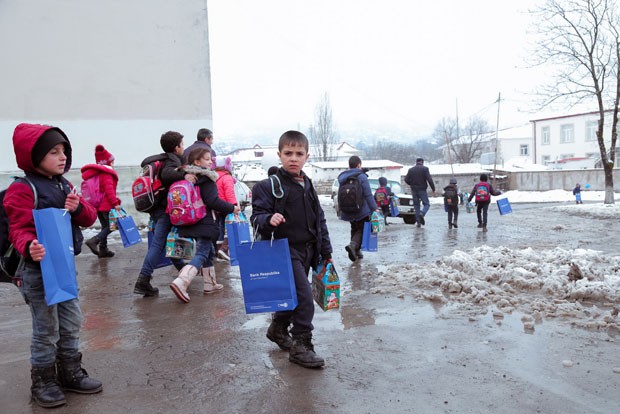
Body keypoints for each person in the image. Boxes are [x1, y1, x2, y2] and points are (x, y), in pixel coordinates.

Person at [4, 123, 102, 407]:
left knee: (71, 322)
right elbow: (17, 228)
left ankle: (70, 372)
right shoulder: (22, 189)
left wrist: (78, 207)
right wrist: (29, 246)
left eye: (64, 151)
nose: (62, 157)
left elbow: (89, 218)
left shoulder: (64, 185)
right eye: (54, 152)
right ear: (34, 156)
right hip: (37, 271)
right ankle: (43, 381)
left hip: (64, 268)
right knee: (46, 329)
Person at [251, 130, 333, 369]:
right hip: (284, 250)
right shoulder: (268, 186)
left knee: (291, 295)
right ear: (279, 154)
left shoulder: (307, 183)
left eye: (299, 153)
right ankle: (301, 346)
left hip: (309, 250)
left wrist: (326, 252)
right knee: (304, 297)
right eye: (288, 153)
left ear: (307, 156)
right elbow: (256, 217)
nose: (293, 158)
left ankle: (278, 328)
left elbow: (319, 219)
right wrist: (269, 219)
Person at [169, 148, 239, 303]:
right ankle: (182, 281)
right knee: (202, 252)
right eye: (207, 159)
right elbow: (213, 201)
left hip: (187, 220)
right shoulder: (206, 178)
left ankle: (210, 284)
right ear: (197, 162)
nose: (210, 162)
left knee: (209, 251)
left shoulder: (185, 176)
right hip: (204, 222)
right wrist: (232, 208)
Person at [133, 131, 197, 297]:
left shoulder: (162, 159)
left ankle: (183, 271)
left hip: (157, 208)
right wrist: (184, 174)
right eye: (182, 144)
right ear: (176, 148)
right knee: (158, 244)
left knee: (170, 240)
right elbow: (167, 174)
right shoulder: (172, 160)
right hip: (163, 210)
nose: (183, 147)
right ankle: (143, 279)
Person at [81, 145, 122, 258]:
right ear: (107, 162)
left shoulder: (96, 173)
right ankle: (94, 240)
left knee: (105, 226)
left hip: (97, 204)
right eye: (112, 161)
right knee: (113, 225)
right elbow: (109, 190)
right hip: (106, 205)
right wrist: (115, 203)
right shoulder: (106, 174)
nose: (113, 163)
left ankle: (103, 249)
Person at [337, 156, 378, 262]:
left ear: (349, 165)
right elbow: (368, 194)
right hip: (361, 209)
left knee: (354, 228)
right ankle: (353, 245)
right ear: (359, 165)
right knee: (362, 229)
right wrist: (374, 208)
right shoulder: (361, 177)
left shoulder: (343, 177)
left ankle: (356, 251)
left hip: (347, 208)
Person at [213, 155, 238, 261]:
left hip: (216, 206)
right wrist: (234, 205)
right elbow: (229, 192)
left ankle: (218, 250)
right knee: (229, 228)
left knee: (219, 227)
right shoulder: (227, 177)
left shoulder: (214, 176)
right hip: (226, 206)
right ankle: (224, 249)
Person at [404, 157, 436, 228]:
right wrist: (433, 189)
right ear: (422, 162)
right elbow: (429, 179)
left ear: (416, 162)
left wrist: (411, 184)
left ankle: (418, 222)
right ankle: (422, 213)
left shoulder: (411, 170)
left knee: (416, 206)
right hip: (422, 189)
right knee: (426, 204)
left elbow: (406, 179)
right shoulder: (425, 169)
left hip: (414, 190)